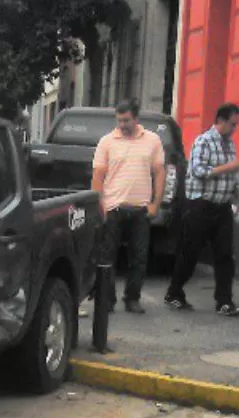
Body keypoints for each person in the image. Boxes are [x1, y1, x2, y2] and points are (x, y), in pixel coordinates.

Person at [164, 103, 239, 316]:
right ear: (221, 121)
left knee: (225, 254)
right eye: (233, 124)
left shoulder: (230, 144)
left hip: (223, 206)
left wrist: (237, 194)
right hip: (201, 206)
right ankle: (174, 292)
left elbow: (234, 174)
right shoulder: (203, 141)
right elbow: (198, 170)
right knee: (190, 252)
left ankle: (224, 301)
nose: (235, 129)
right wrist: (228, 168)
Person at [91, 99, 167, 314]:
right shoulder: (107, 142)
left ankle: (132, 298)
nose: (122, 125)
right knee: (107, 257)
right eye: (119, 120)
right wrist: (100, 206)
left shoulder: (152, 140)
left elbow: (160, 172)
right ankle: (107, 299)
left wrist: (155, 204)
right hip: (113, 207)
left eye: (126, 120)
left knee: (139, 258)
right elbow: (98, 175)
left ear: (136, 118)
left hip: (140, 208)